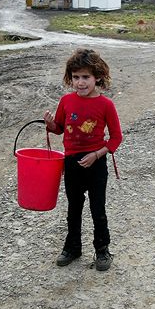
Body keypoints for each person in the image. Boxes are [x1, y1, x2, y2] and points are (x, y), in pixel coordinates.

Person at [43, 48, 123, 271]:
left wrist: (97, 154)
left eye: (85, 77)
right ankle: (73, 247)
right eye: (76, 77)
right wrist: (50, 124)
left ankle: (102, 250)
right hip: (71, 163)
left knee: (98, 209)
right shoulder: (66, 101)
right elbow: (59, 129)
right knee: (73, 208)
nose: (80, 83)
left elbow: (116, 137)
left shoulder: (106, 105)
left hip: (96, 163)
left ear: (97, 76)